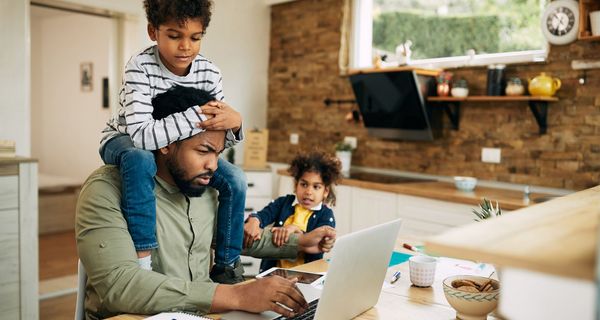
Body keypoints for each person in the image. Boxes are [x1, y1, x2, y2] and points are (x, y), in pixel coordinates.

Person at [76, 86, 337, 319]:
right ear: (164, 142)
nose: (213, 165)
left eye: (218, 153)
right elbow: (120, 287)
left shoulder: (206, 186)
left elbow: (233, 237)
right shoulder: (106, 190)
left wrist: (301, 242)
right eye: (203, 151)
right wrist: (238, 296)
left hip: (205, 315)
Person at [99, 0, 246, 283]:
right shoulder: (139, 66)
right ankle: (143, 260)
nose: (186, 47)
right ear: (153, 32)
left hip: (172, 147)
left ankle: (227, 264)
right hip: (124, 137)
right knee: (140, 159)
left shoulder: (209, 73)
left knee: (236, 179)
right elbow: (142, 135)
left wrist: (236, 123)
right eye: (174, 36)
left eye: (195, 37)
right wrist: (196, 116)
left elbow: (215, 136)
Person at [243, 151, 342, 272]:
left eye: (316, 187)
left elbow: (317, 241)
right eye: (304, 184)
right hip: (274, 274)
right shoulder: (283, 203)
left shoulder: (326, 215)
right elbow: (263, 215)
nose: (309, 192)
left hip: (304, 277)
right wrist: (254, 219)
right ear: (296, 185)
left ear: (325, 191)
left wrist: (294, 229)